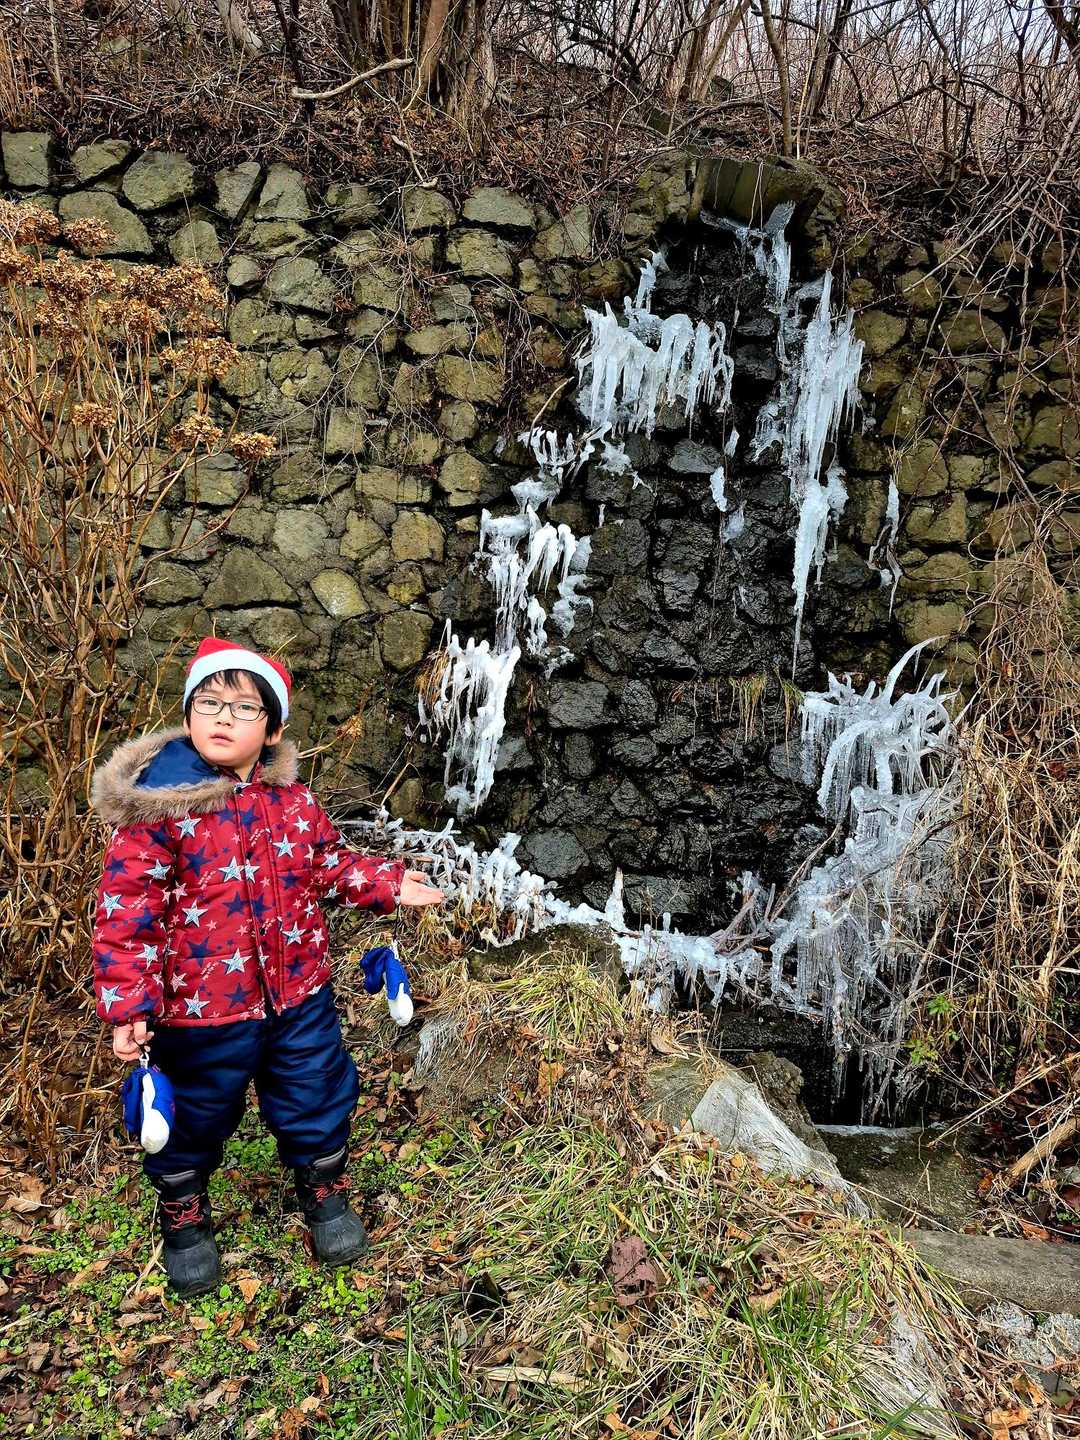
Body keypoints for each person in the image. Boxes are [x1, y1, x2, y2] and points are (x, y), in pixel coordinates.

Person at [90, 637, 443, 1298]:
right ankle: (184, 1211)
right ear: (188, 715)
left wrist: (388, 882)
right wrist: (129, 1004)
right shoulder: (159, 810)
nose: (223, 718)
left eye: (243, 708)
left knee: (315, 1090)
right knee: (191, 1112)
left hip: (297, 994)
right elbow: (127, 911)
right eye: (209, 703)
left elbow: (328, 866)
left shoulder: (294, 803)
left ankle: (324, 1189)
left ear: (272, 730)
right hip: (200, 1012)